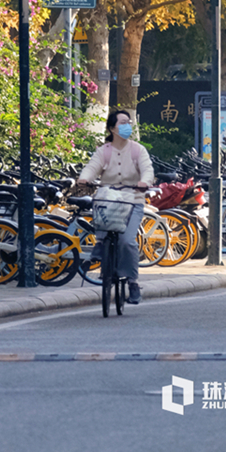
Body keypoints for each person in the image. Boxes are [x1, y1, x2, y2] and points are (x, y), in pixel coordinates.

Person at [74, 108, 154, 305]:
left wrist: (145, 182)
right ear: (112, 128)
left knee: (127, 241)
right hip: (108, 199)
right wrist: (84, 179)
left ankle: (133, 283)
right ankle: (100, 245)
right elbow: (92, 167)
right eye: (122, 123)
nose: (127, 126)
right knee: (100, 213)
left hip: (132, 200)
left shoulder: (138, 150)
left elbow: (147, 169)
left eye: (129, 122)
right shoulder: (104, 151)